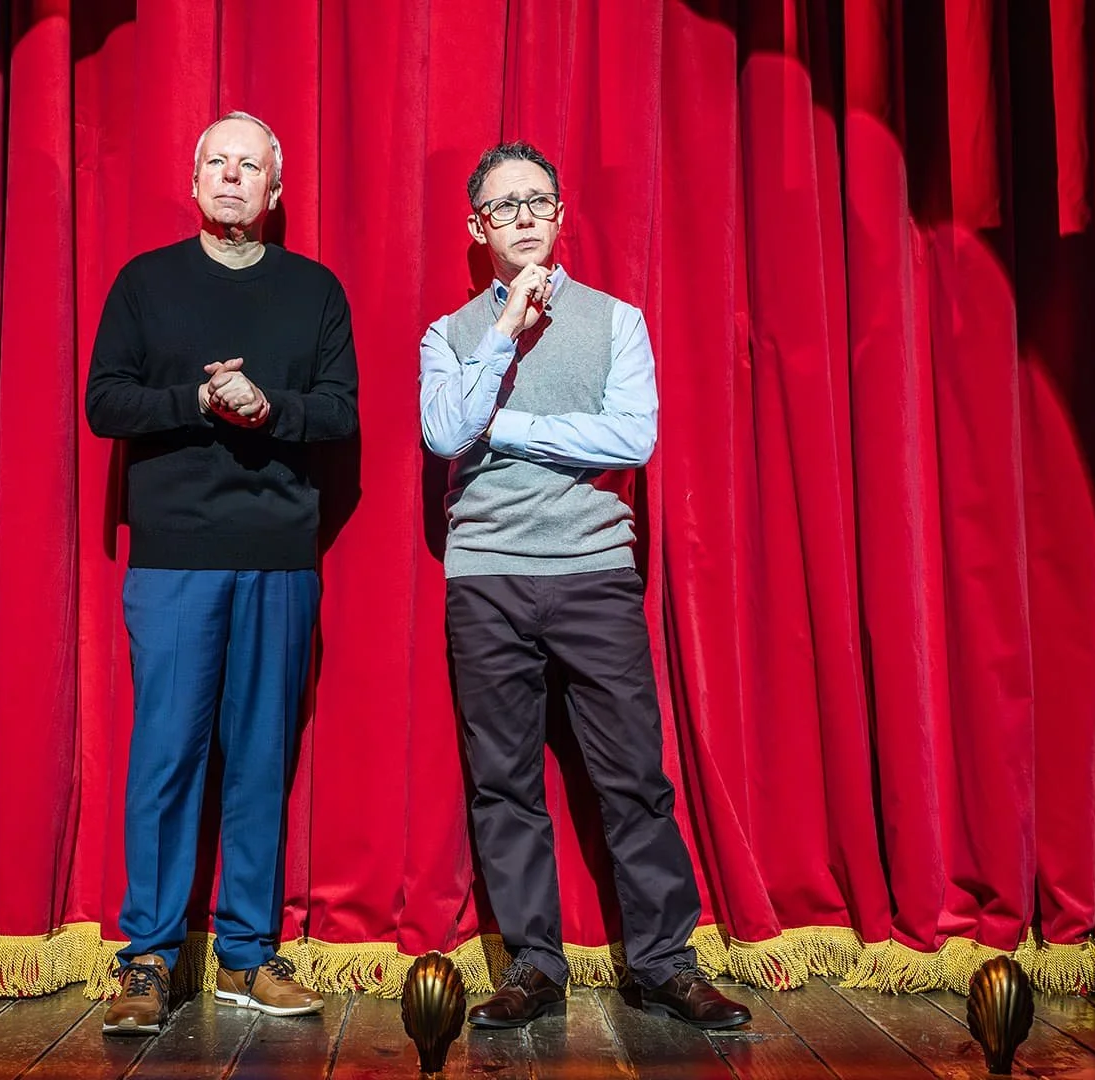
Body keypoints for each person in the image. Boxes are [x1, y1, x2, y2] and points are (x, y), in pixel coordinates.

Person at [418, 142, 750, 1030]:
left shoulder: (617, 321)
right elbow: (448, 435)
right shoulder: (449, 334)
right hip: (486, 578)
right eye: (504, 206)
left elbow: (631, 441)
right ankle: (533, 968)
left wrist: (508, 425)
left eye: (539, 202)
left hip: (594, 572)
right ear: (476, 227)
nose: (524, 217)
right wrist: (502, 336)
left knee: (634, 777)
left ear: (561, 217)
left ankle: (665, 964)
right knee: (503, 781)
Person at [85, 110, 357, 1036]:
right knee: (166, 756)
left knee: (259, 761)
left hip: (279, 560)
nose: (232, 177)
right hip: (175, 560)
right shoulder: (145, 283)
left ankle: (247, 955)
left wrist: (268, 405)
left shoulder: (315, 291)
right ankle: (147, 960)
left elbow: (341, 413)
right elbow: (104, 402)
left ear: (277, 192)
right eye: (217, 163)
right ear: (194, 182)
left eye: (251, 167)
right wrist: (199, 401)